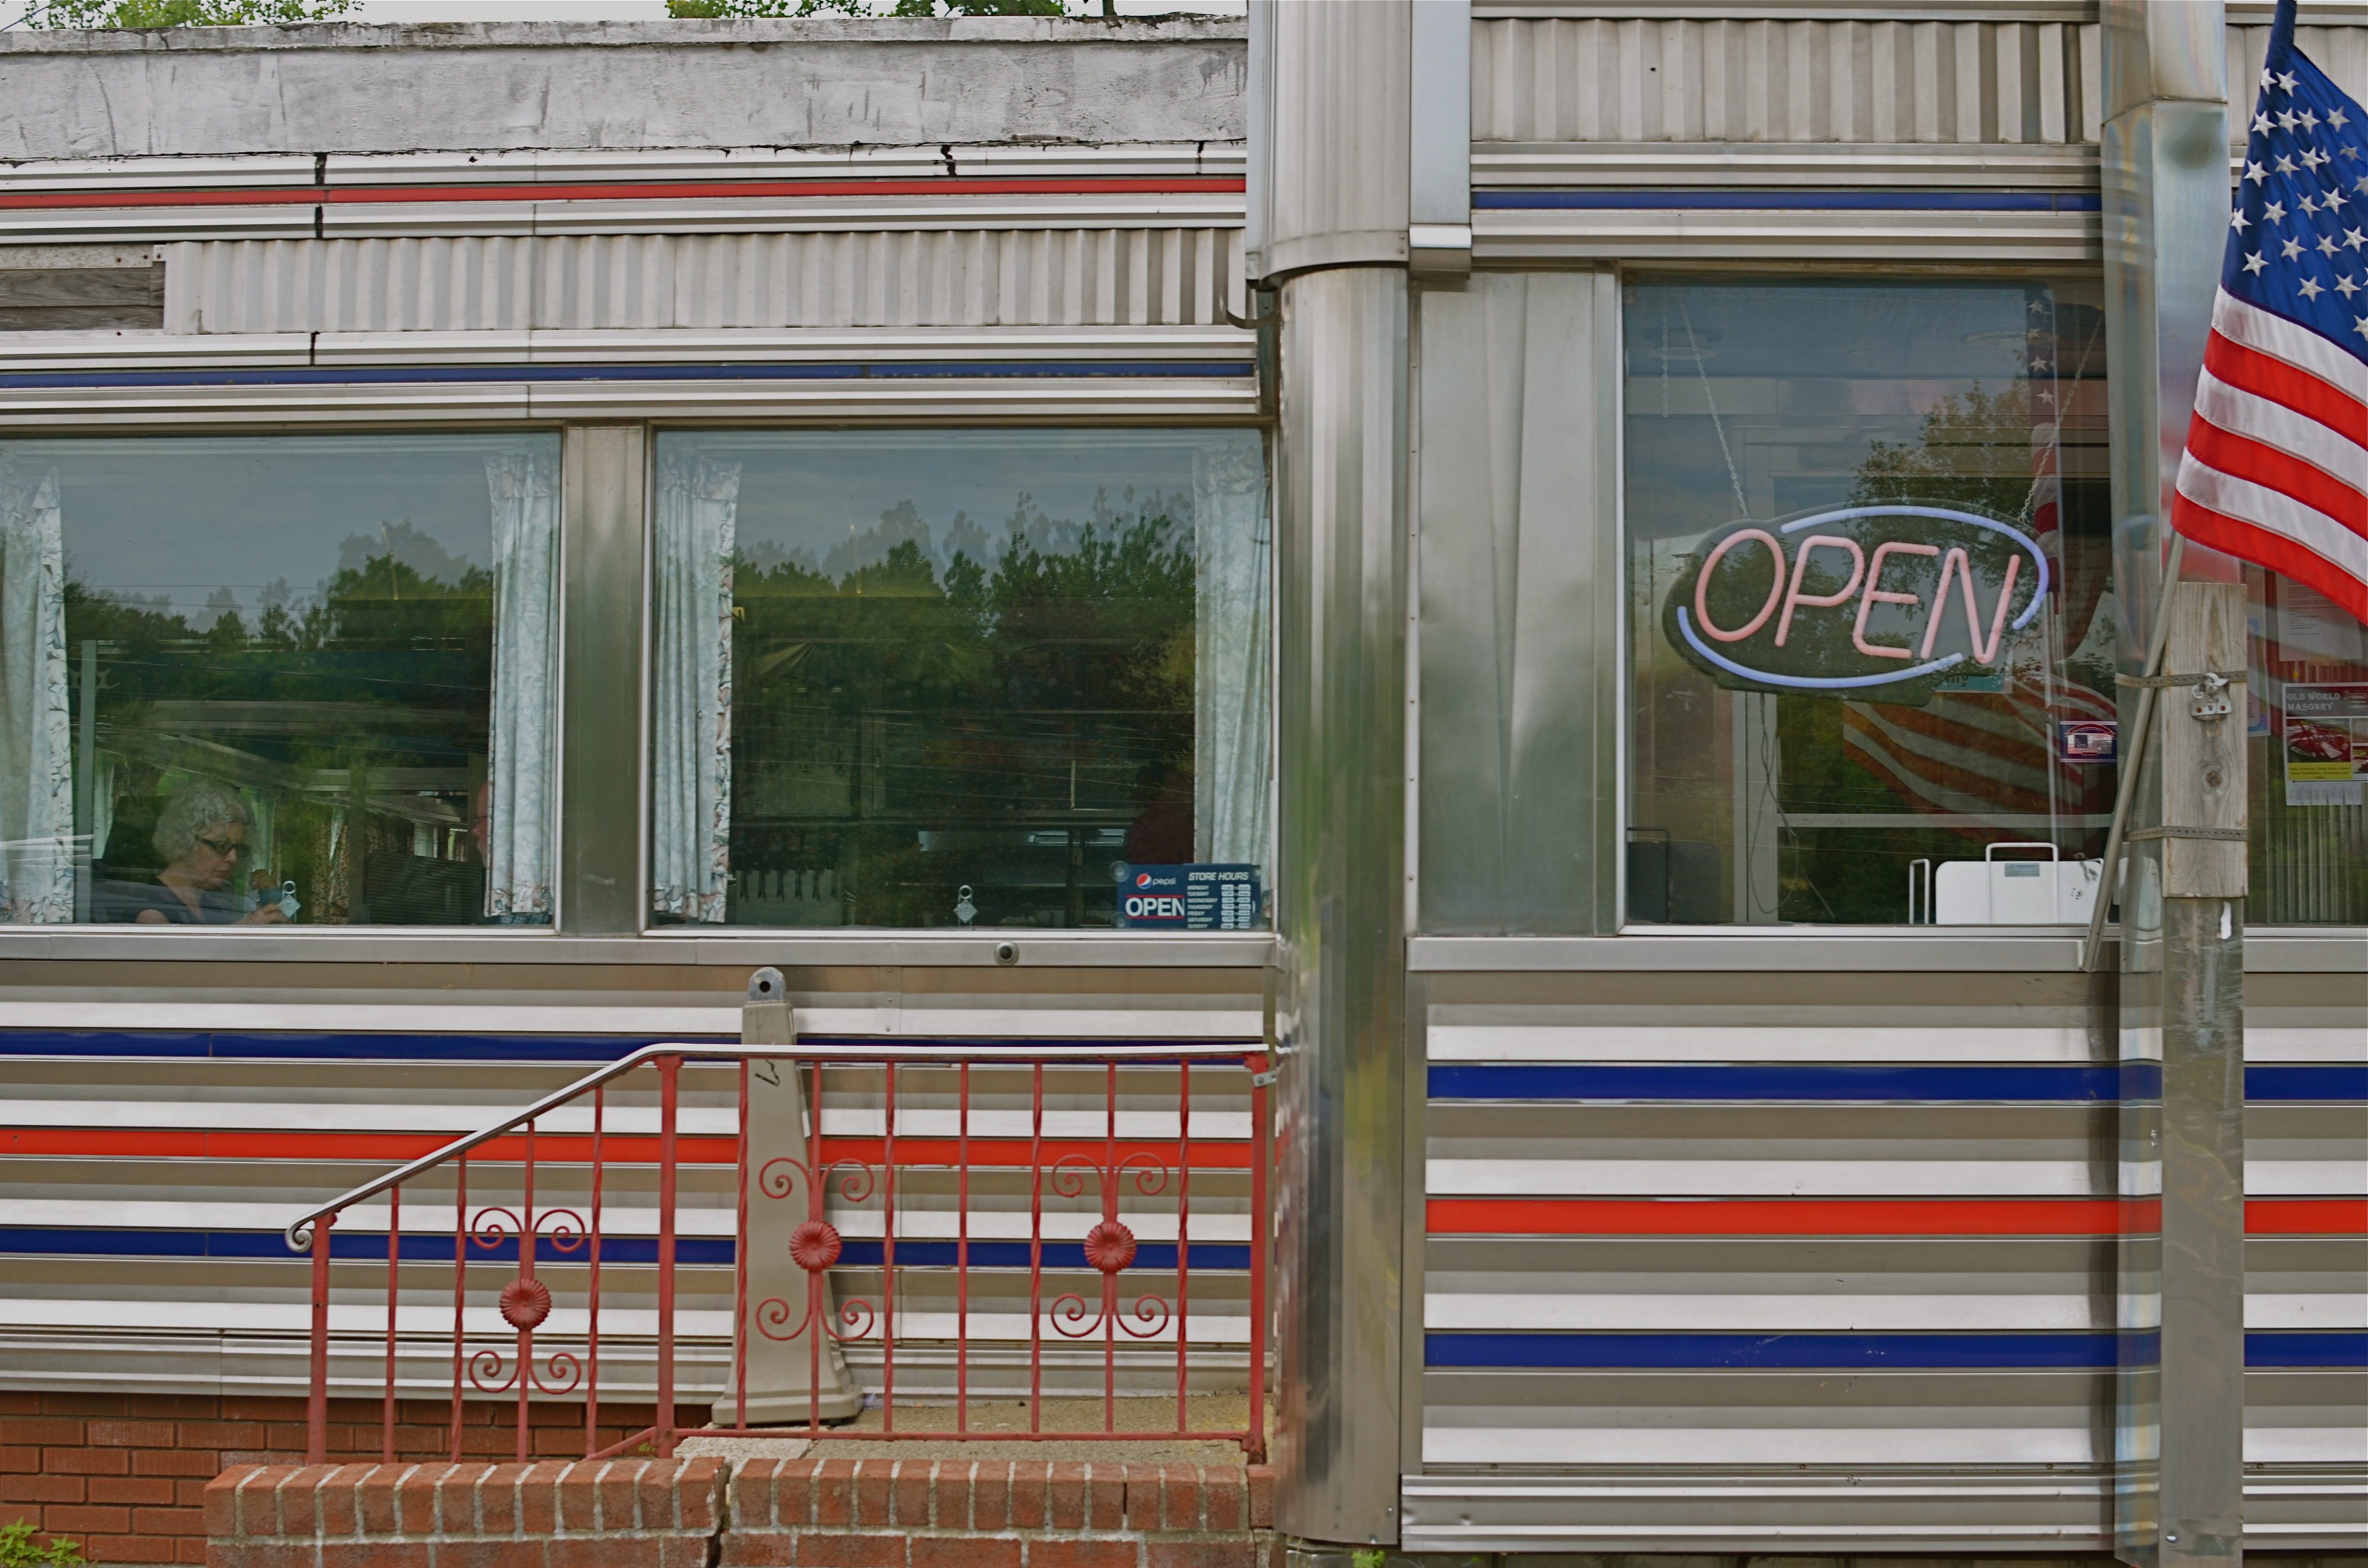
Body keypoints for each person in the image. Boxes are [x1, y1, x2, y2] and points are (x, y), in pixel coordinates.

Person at [108, 780, 286, 925]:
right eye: (222, 847)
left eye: (238, 849)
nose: (233, 858)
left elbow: (287, 923)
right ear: (186, 840)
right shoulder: (152, 910)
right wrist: (247, 927)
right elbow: (183, 966)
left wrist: (274, 901)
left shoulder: (219, 896)